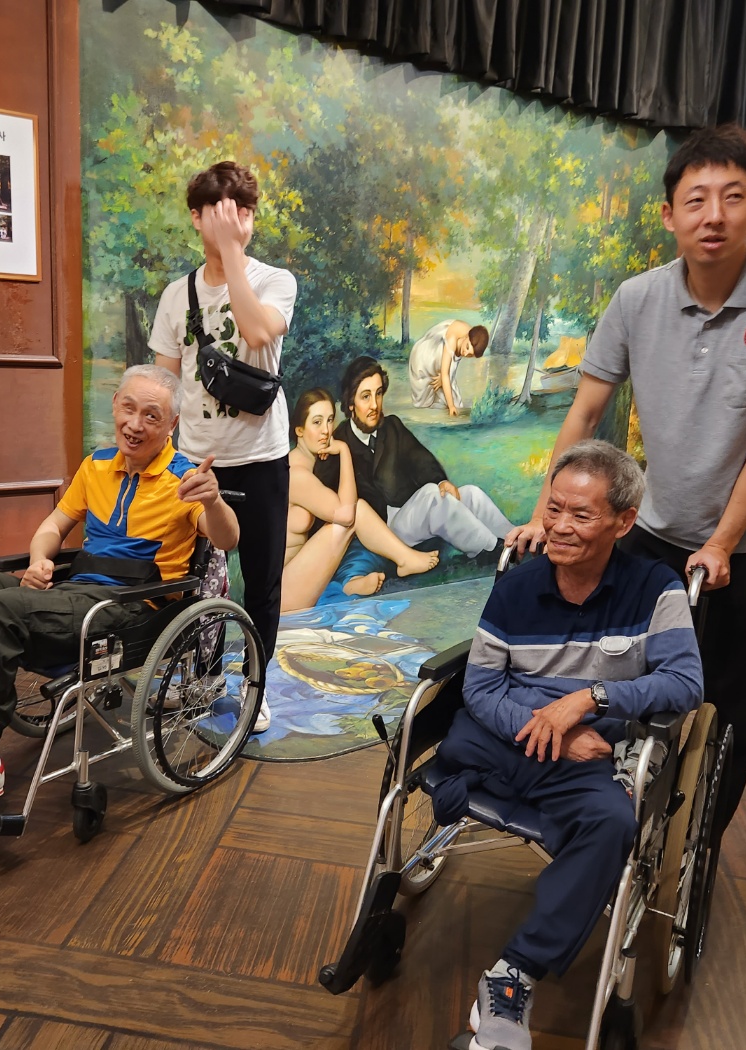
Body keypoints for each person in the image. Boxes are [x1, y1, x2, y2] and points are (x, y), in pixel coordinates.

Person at [508, 124, 746, 837]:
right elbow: (585, 412)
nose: (713, 215)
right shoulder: (637, 299)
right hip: (657, 526)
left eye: (733, 197)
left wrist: (722, 541)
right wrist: (546, 514)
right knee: (624, 672)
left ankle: (697, 848)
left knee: (727, 698)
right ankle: (619, 823)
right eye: (696, 200)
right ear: (669, 215)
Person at [0, 366, 239, 816]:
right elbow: (55, 525)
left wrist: (213, 500)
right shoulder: (96, 465)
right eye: (128, 408)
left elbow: (227, 538)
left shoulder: (184, 479)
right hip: (75, 591)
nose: (135, 424)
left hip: (129, 610)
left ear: (171, 424)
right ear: (115, 404)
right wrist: (40, 558)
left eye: (151, 416)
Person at [435, 441, 703, 1050]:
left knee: (612, 823)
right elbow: (481, 687)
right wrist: (550, 733)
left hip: (587, 748)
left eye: (581, 515)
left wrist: (589, 701)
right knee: (463, 739)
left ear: (623, 522)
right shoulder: (518, 585)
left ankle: (512, 974)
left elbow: (686, 683)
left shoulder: (654, 589)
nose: (559, 526)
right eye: (554, 508)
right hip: (507, 737)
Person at [151, 161, 297, 732]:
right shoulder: (176, 296)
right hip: (197, 460)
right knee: (199, 579)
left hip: (261, 459)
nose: (238, 222)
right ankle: (204, 676)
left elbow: (258, 332)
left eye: (246, 212)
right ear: (197, 217)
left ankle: (255, 685)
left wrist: (231, 252)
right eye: (223, 212)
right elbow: (164, 385)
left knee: (261, 582)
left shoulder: (275, 281)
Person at [315, 356, 513, 559]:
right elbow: (322, 497)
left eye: (378, 393)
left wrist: (441, 481)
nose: (374, 405)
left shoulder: (391, 426)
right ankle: (490, 550)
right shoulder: (338, 443)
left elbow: (420, 458)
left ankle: (515, 540)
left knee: (471, 494)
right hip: (384, 530)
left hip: (412, 511)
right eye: (366, 397)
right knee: (433, 496)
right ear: (350, 403)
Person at [283, 388, 439, 611]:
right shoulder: (296, 474)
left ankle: (355, 581)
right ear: (299, 430)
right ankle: (404, 560)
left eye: (329, 420)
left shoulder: (313, 463)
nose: (326, 430)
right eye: (317, 422)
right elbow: (347, 514)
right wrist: (344, 450)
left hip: (300, 577)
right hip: (284, 592)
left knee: (357, 512)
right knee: (356, 511)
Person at [408, 319, 489, 416]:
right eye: (467, 347)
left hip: (440, 360)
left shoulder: (475, 336)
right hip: (425, 357)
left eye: (470, 355)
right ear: (467, 336)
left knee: (454, 400)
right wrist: (451, 406)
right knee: (426, 399)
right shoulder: (452, 339)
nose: (465, 353)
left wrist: (444, 376)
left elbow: (447, 372)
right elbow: (446, 374)